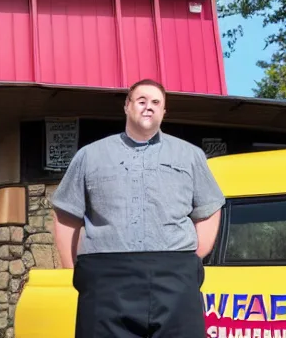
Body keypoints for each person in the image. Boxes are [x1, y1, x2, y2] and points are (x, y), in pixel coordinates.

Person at [50, 78, 225, 338]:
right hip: (106, 279)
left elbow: (209, 207)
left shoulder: (190, 155)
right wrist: (73, 270)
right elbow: (66, 213)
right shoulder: (90, 155)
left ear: (164, 112)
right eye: (141, 101)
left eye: (156, 102)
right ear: (127, 106)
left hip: (174, 277)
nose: (148, 107)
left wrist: (191, 258)